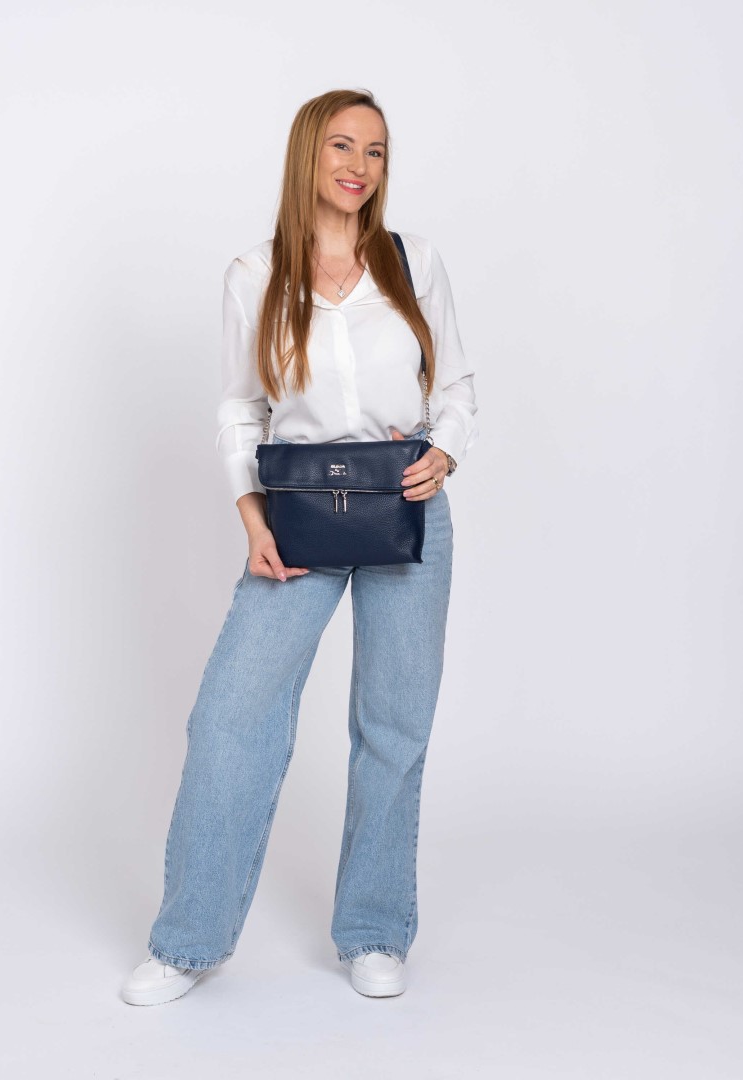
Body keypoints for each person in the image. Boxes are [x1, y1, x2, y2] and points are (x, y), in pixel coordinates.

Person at [121, 89, 477, 1006]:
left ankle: (375, 930)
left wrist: (444, 449)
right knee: (231, 717)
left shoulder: (415, 262)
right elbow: (241, 408)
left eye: (377, 151)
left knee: (393, 726)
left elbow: (456, 386)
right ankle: (189, 941)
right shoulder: (256, 273)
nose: (360, 165)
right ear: (308, 155)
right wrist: (252, 517)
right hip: (297, 515)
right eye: (342, 146)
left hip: (405, 505)